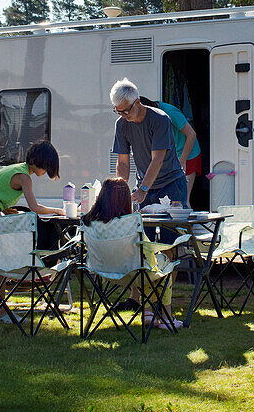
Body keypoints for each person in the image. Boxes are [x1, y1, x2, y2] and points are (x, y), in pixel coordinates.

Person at [0, 140, 64, 316]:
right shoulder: (24, 177)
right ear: (39, 161)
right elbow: (35, 208)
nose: (46, 172)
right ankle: (1, 311)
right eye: (47, 167)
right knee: (2, 258)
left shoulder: (17, 169)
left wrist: (4, 208)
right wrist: (58, 210)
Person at [82, 177, 179, 329]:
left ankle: (148, 313)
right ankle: (166, 317)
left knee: (146, 266)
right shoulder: (132, 223)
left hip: (103, 272)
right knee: (158, 262)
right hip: (133, 272)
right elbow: (147, 250)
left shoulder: (89, 222)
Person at [110, 79, 188, 210]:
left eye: (126, 111)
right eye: (118, 111)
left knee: (173, 230)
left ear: (137, 102)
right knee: (142, 229)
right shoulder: (121, 124)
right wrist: (120, 190)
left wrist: (143, 189)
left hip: (171, 184)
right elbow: (123, 161)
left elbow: (157, 159)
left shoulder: (160, 119)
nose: (123, 115)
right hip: (143, 184)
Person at [140, 96, 200, 207]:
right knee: (169, 200)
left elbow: (192, 135)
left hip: (187, 155)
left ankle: (187, 224)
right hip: (172, 156)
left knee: (182, 200)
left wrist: (182, 161)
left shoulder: (170, 112)